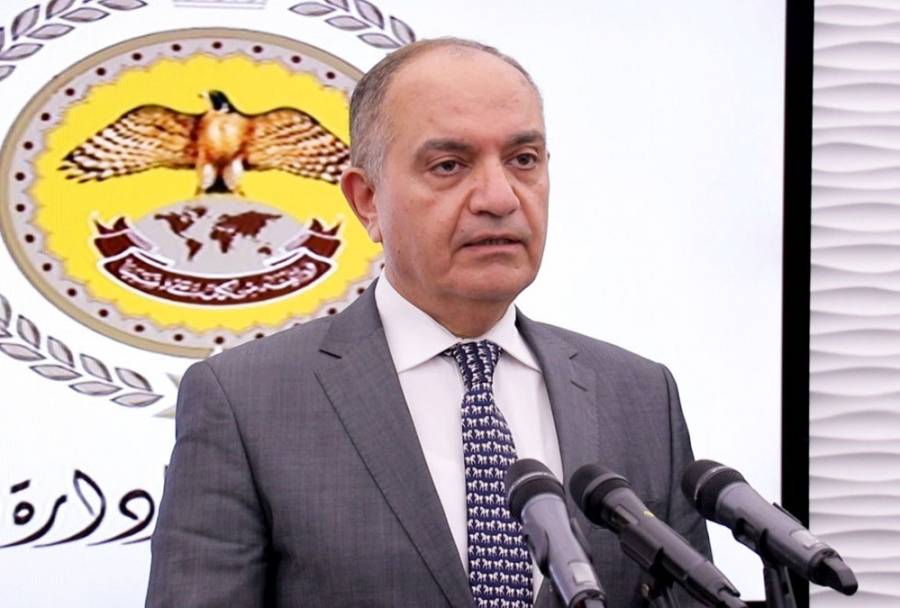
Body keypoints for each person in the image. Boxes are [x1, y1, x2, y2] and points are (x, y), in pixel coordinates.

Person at [146, 38, 711, 607]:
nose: (499, 198)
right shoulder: (247, 403)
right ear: (367, 200)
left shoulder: (640, 397)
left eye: (523, 160)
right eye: (449, 166)